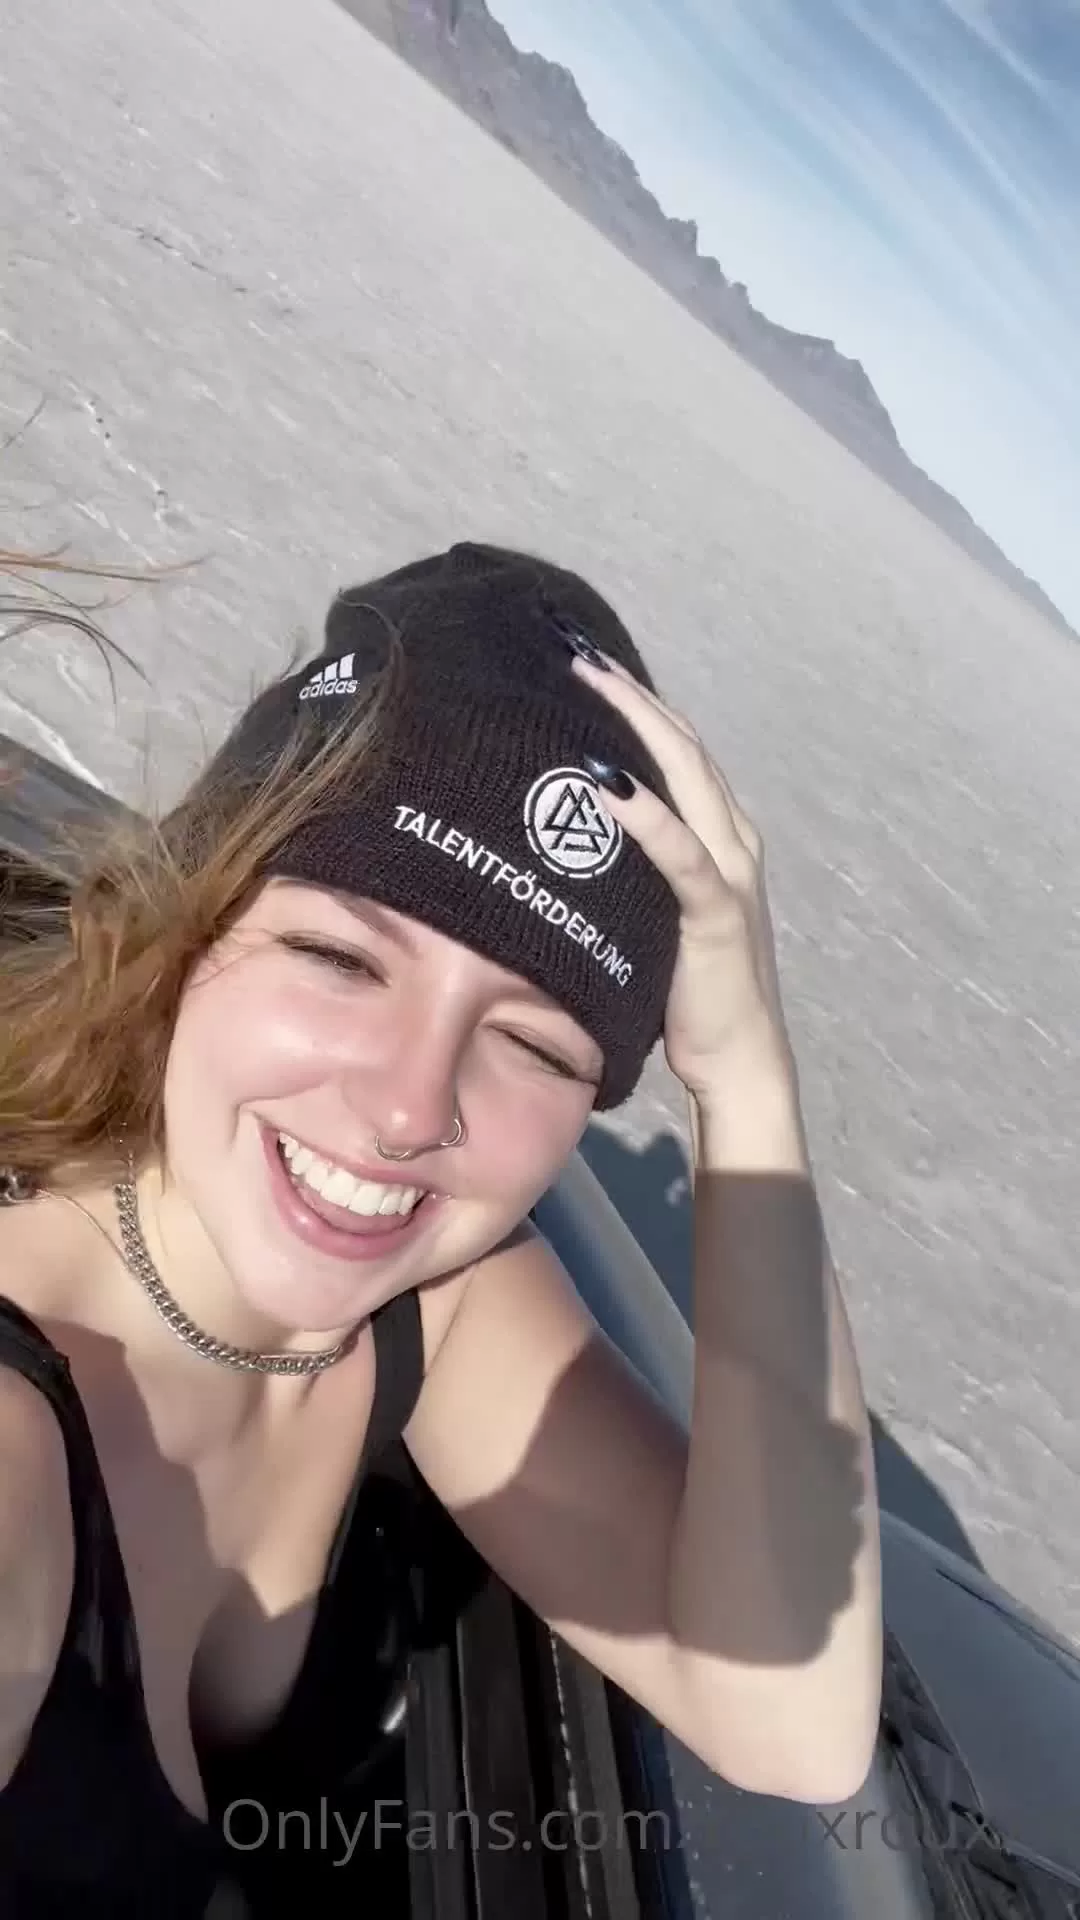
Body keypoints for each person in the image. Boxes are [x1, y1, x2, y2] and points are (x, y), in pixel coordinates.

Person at [0, 541, 882, 1910]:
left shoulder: (425, 1310)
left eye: (534, 1045)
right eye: (339, 958)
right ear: (198, 914)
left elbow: (789, 1717)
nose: (411, 1109)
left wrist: (747, 1080)